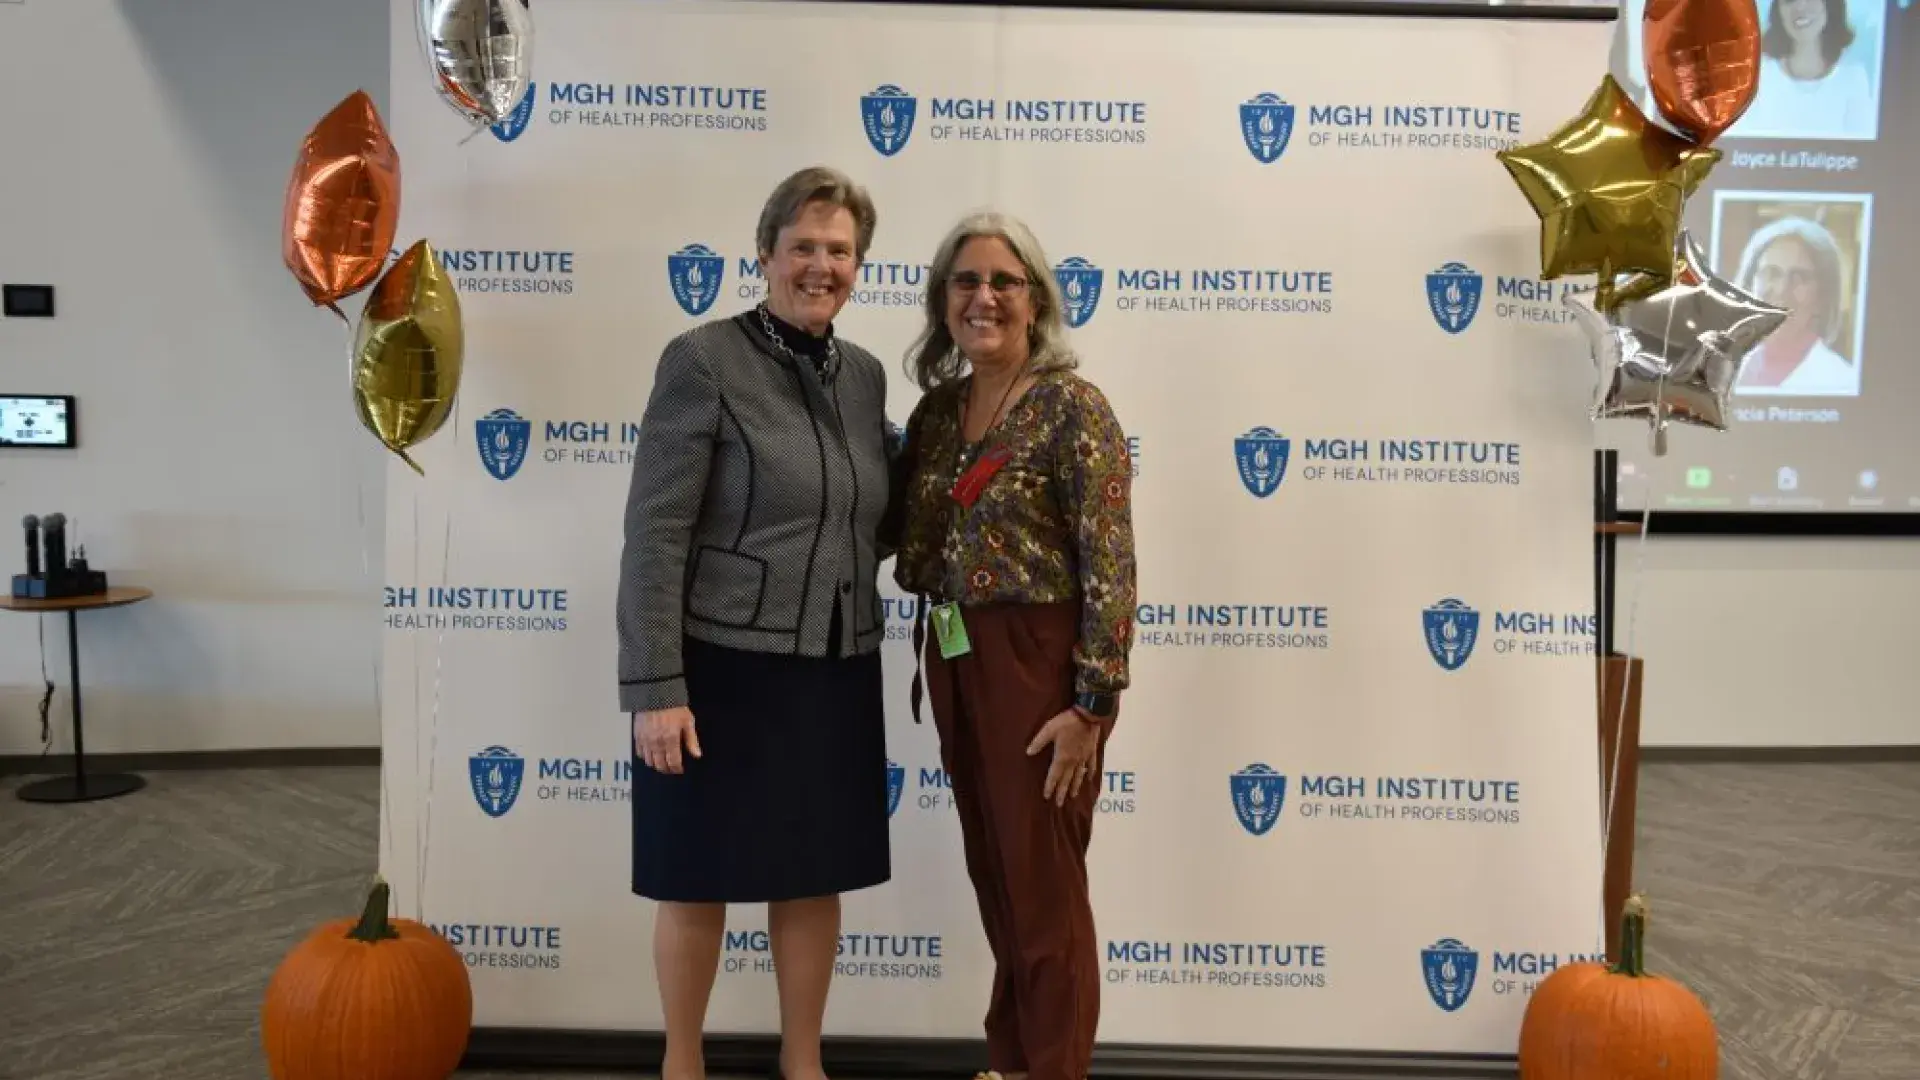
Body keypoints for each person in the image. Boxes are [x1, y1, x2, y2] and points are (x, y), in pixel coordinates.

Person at [617, 165, 894, 1080]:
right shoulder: (702, 359)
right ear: (766, 252)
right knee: (697, 875)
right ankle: (682, 1064)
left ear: (860, 265)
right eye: (805, 246)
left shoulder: (863, 376)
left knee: (812, 875)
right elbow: (655, 531)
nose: (822, 265)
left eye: (840, 250)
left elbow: (870, 512)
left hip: (833, 663)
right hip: (718, 668)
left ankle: (803, 1066)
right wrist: (656, 688)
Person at [889, 210, 1137, 1080]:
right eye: (966, 281)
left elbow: (1110, 563)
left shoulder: (1073, 407)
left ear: (1036, 300)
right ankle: (1014, 1061)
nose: (984, 297)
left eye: (1004, 281)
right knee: (997, 876)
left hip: (1040, 664)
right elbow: (897, 533)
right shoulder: (939, 412)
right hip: (954, 654)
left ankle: (1054, 1069)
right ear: (941, 303)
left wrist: (1090, 706)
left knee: (1045, 891)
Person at [1730, 214, 1858, 396]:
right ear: (1749, 286)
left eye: (1800, 277)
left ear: (1822, 298)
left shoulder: (1841, 379)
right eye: (1771, 273)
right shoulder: (1726, 366)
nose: (1783, 290)